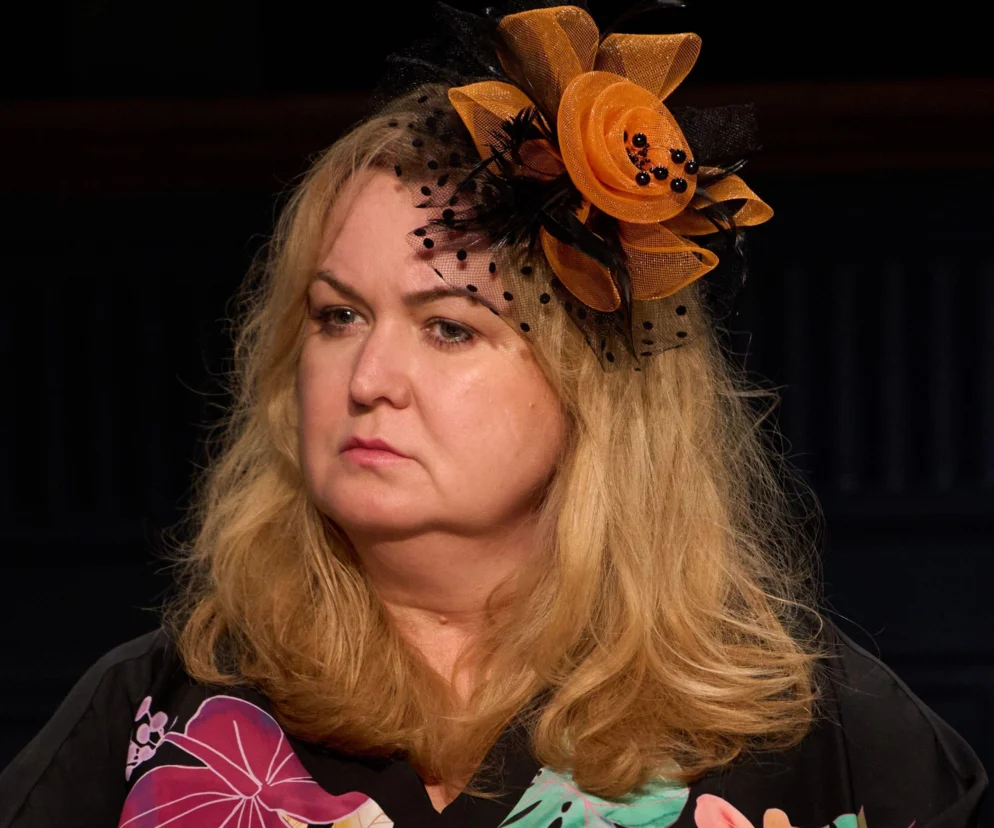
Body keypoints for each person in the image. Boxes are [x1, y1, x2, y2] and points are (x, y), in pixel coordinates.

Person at [0, 3, 987, 827]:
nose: (368, 377)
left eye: (449, 328)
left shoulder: (818, 735)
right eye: (338, 317)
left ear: (592, 383)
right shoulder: (148, 715)